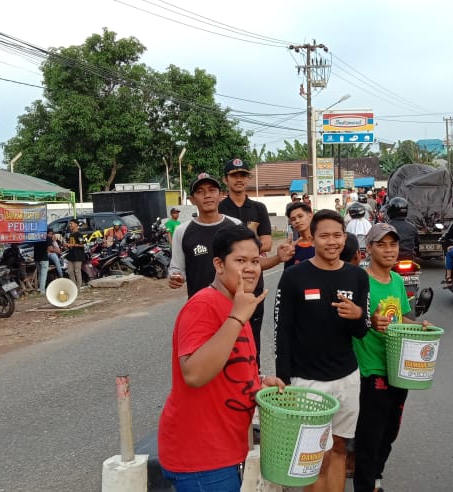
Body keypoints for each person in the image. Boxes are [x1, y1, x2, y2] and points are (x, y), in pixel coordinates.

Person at [157, 225, 286, 491]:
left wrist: (259, 382)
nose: (250, 268)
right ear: (219, 264)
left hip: (225, 448)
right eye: (240, 260)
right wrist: (236, 318)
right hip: (201, 455)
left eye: (255, 261)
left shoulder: (237, 304)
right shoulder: (204, 305)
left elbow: (230, 364)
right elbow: (193, 374)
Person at [274, 210, 370, 492]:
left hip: (346, 377)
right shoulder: (293, 277)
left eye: (337, 235)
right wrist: (284, 380)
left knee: (339, 448)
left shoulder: (357, 276)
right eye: (325, 236)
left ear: (345, 237)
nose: (332, 241)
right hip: (307, 381)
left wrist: (358, 315)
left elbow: (361, 331)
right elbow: (282, 331)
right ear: (312, 238)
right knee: (315, 456)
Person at [352, 223, 430, 492]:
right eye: (381, 245)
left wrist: (419, 326)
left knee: (389, 432)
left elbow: (401, 318)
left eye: (393, 244)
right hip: (370, 368)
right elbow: (350, 320)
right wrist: (369, 322)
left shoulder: (397, 280)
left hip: (398, 368)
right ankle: (364, 486)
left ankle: (376, 479)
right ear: (369, 248)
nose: (389, 250)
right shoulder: (360, 281)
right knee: (370, 435)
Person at [171, 172, 292, 298]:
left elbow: (251, 262)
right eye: (200, 192)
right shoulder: (182, 231)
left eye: (212, 190)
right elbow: (176, 269)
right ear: (192, 199)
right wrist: (175, 277)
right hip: (199, 303)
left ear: (220, 195)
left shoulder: (235, 225)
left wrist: (278, 258)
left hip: (234, 303)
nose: (207, 195)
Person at [219, 158, 275, 364]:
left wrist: (237, 249)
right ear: (225, 179)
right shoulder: (219, 208)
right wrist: (252, 244)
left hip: (253, 282)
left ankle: (254, 373)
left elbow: (267, 243)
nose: (239, 179)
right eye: (234, 175)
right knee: (226, 331)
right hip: (227, 284)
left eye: (243, 175)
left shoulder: (258, 208)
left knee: (253, 333)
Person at [284, 201, 315, 268]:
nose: (297, 221)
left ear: (310, 215)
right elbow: (288, 272)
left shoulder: (323, 242)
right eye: (293, 219)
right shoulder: (292, 249)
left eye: (300, 216)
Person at [65, 219, 88, 287]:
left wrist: (72, 245)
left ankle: (78, 286)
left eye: (71, 224)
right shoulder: (71, 234)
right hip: (71, 255)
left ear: (76, 225)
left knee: (77, 271)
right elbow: (70, 244)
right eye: (70, 224)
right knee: (70, 271)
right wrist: (66, 245)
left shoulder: (79, 234)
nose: (70, 225)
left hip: (78, 255)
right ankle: (73, 286)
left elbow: (82, 244)